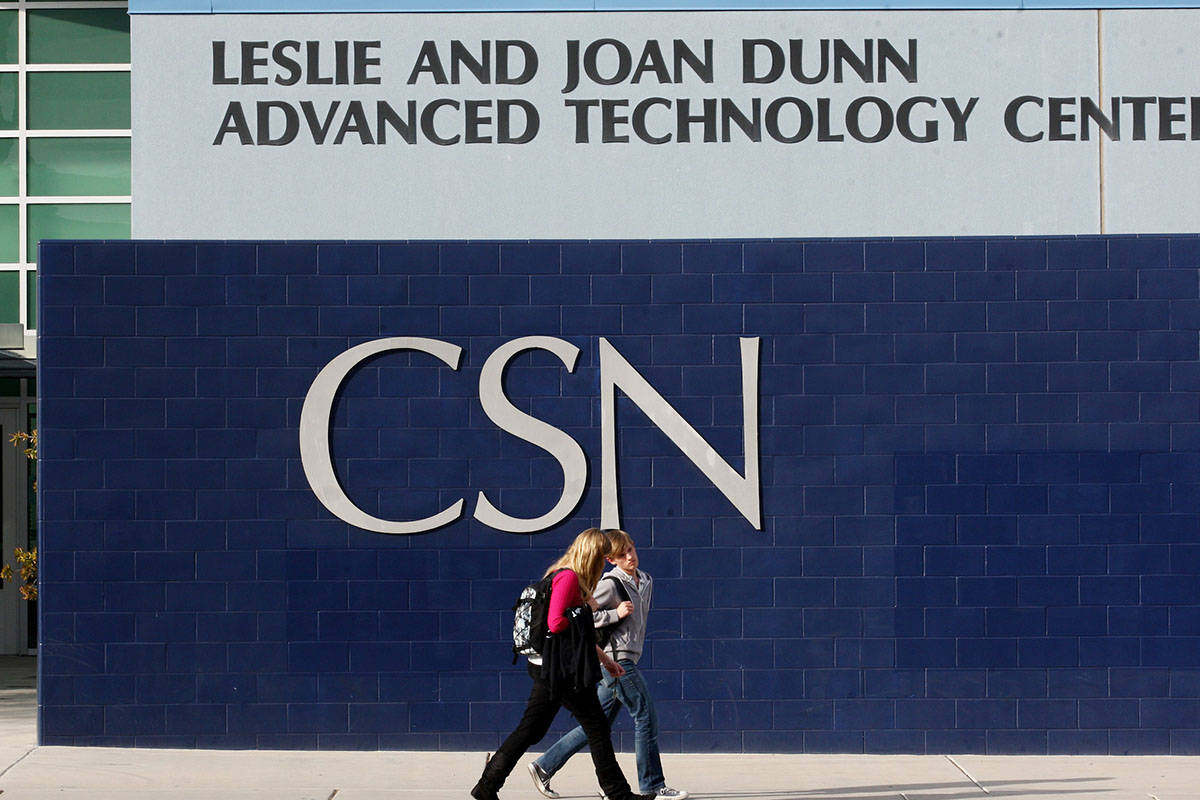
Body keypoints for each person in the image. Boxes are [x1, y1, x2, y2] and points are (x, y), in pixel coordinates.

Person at [471, 528, 656, 800]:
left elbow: (577, 633)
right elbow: (556, 623)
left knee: (532, 730)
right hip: (560, 670)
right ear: (591, 555)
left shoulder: (565, 575)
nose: (603, 563)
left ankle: (486, 787)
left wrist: (606, 660)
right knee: (596, 727)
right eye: (601, 557)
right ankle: (619, 794)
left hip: (553, 667)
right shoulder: (568, 577)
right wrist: (585, 611)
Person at [528, 529, 688, 800]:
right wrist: (615, 613)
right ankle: (652, 786)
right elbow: (583, 617)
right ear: (611, 560)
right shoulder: (609, 584)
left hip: (628, 658)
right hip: (615, 659)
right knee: (645, 715)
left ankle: (544, 765)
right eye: (622, 555)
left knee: (596, 725)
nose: (630, 557)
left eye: (631, 550)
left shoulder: (646, 580)